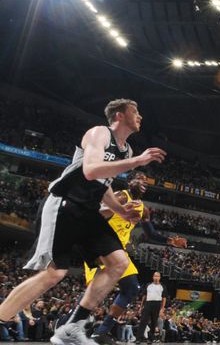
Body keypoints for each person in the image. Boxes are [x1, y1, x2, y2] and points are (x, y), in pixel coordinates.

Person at [0, 99, 165, 345]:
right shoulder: (99, 133)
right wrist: (137, 162)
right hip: (65, 202)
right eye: (135, 111)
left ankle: (72, 327)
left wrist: (121, 211)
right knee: (54, 274)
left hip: (89, 210)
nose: (140, 116)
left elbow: (103, 186)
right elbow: (90, 170)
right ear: (119, 115)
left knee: (118, 263)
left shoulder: (126, 150)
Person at [85, 171, 187, 344]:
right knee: (95, 294)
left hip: (119, 251)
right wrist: (119, 208)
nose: (142, 183)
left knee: (131, 287)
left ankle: (101, 331)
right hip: (101, 244)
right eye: (139, 179)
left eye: (145, 181)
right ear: (130, 181)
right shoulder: (120, 196)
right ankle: (69, 324)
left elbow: (151, 234)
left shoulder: (144, 209)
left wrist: (171, 241)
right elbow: (97, 212)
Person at [137, 272, 167, 344]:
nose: (156, 277)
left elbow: (164, 298)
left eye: (158, 276)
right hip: (148, 303)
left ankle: (150, 339)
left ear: (160, 277)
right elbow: (144, 296)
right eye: (155, 276)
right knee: (143, 320)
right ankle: (139, 338)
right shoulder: (148, 285)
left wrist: (162, 309)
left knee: (154, 322)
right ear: (153, 277)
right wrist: (141, 307)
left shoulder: (162, 286)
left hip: (157, 304)